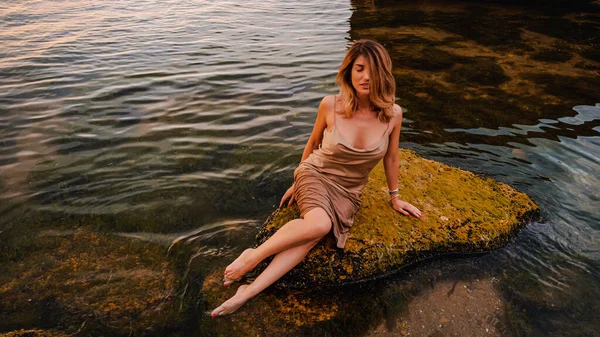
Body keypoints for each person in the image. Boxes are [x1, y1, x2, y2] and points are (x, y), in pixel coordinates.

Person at [211, 39, 423, 317]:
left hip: (348, 192)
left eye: (373, 70)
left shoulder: (393, 114)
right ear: (349, 71)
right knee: (320, 224)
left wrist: (395, 198)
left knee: (311, 235)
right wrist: (297, 182)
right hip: (316, 174)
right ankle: (253, 256)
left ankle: (249, 290)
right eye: (359, 68)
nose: (366, 77)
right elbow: (311, 146)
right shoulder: (330, 105)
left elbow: (391, 157)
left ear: (384, 73)